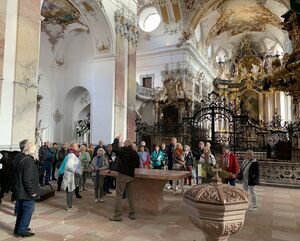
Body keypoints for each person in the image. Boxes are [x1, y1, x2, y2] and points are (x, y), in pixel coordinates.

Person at [109, 135, 140, 222]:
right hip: (131, 176)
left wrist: (116, 139)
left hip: (122, 175)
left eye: (124, 142)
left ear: (127, 144)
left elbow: (114, 147)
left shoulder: (124, 150)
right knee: (130, 196)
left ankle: (117, 215)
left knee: (119, 195)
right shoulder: (135, 154)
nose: (123, 143)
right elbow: (137, 166)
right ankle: (132, 214)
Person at [14, 142, 40, 238]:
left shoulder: (20, 157)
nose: (36, 150)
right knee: (28, 210)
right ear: (31, 150)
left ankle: (18, 228)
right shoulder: (29, 161)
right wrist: (32, 192)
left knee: (21, 210)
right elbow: (27, 179)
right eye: (35, 149)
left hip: (20, 189)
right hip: (26, 191)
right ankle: (22, 230)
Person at [62, 143, 82, 212]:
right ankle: (68, 206)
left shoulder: (73, 153)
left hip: (70, 175)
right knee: (69, 190)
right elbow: (69, 165)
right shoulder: (71, 154)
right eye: (76, 146)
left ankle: (70, 205)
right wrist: (75, 170)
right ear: (73, 147)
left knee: (71, 190)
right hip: (69, 175)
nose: (77, 147)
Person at [12, 139, 28, 215]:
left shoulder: (19, 155)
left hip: (18, 179)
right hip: (20, 179)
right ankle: (17, 211)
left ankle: (17, 211)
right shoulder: (23, 156)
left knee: (18, 195)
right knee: (19, 196)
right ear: (25, 147)